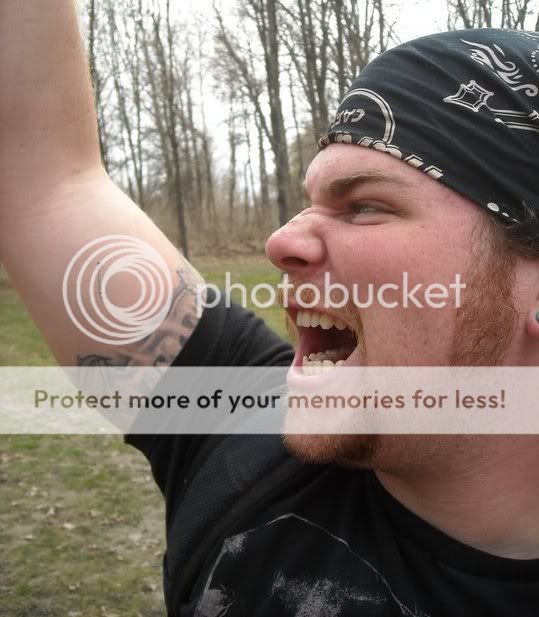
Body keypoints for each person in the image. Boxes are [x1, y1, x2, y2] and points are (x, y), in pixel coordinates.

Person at [1, 1, 538, 614]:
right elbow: (45, 183)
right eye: (309, 202)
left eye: (365, 205)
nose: (282, 241)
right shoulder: (237, 431)